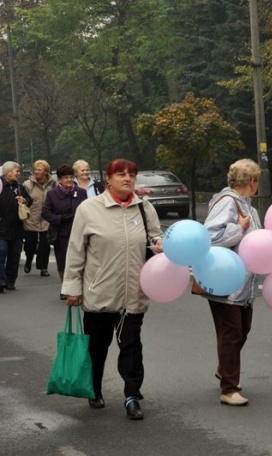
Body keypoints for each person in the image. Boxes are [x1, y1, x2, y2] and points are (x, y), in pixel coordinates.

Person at [62, 159, 163, 420]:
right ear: (108, 179)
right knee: (98, 346)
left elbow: (155, 236)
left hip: (134, 292)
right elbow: (75, 251)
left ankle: (132, 396)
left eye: (132, 174)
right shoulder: (89, 209)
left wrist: (159, 243)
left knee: (131, 346)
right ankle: (94, 388)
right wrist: (73, 288)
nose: (127, 179)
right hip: (100, 293)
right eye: (121, 174)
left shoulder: (144, 208)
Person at [202, 158, 262, 407]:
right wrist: (239, 229)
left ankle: (225, 367)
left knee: (241, 331)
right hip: (225, 281)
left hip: (243, 284)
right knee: (232, 333)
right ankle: (229, 388)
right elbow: (209, 236)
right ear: (251, 181)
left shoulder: (248, 206)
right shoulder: (227, 202)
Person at [42, 164, 88, 298]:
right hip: (61, 233)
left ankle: (80, 287)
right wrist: (59, 218)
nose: (69, 180)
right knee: (63, 261)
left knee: (81, 260)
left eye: (71, 177)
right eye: (66, 177)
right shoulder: (52, 194)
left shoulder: (81, 192)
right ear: (60, 180)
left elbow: (87, 210)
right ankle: (65, 288)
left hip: (80, 231)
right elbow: (45, 213)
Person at [0, 161, 33, 292]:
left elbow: (30, 200)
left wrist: (24, 200)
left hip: (17, 228)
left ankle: (10, 281)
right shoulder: (1, 184)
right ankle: (1, 281)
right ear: (8, 172)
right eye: (16, 171)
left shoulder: (19, 187)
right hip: (1, 228)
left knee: (14, 256)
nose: (18, 174)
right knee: (1, 254)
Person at [22, 159, 58, 277]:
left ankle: (43, 267)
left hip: (47, 219)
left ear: (46, 171)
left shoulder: (53, 184)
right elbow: (23, 201)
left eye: (39, 169)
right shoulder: (27, 184)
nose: (36, 172)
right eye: (35, 169)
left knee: (45, 246)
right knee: (29, 245)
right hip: (31, 218)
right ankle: (28, 259)